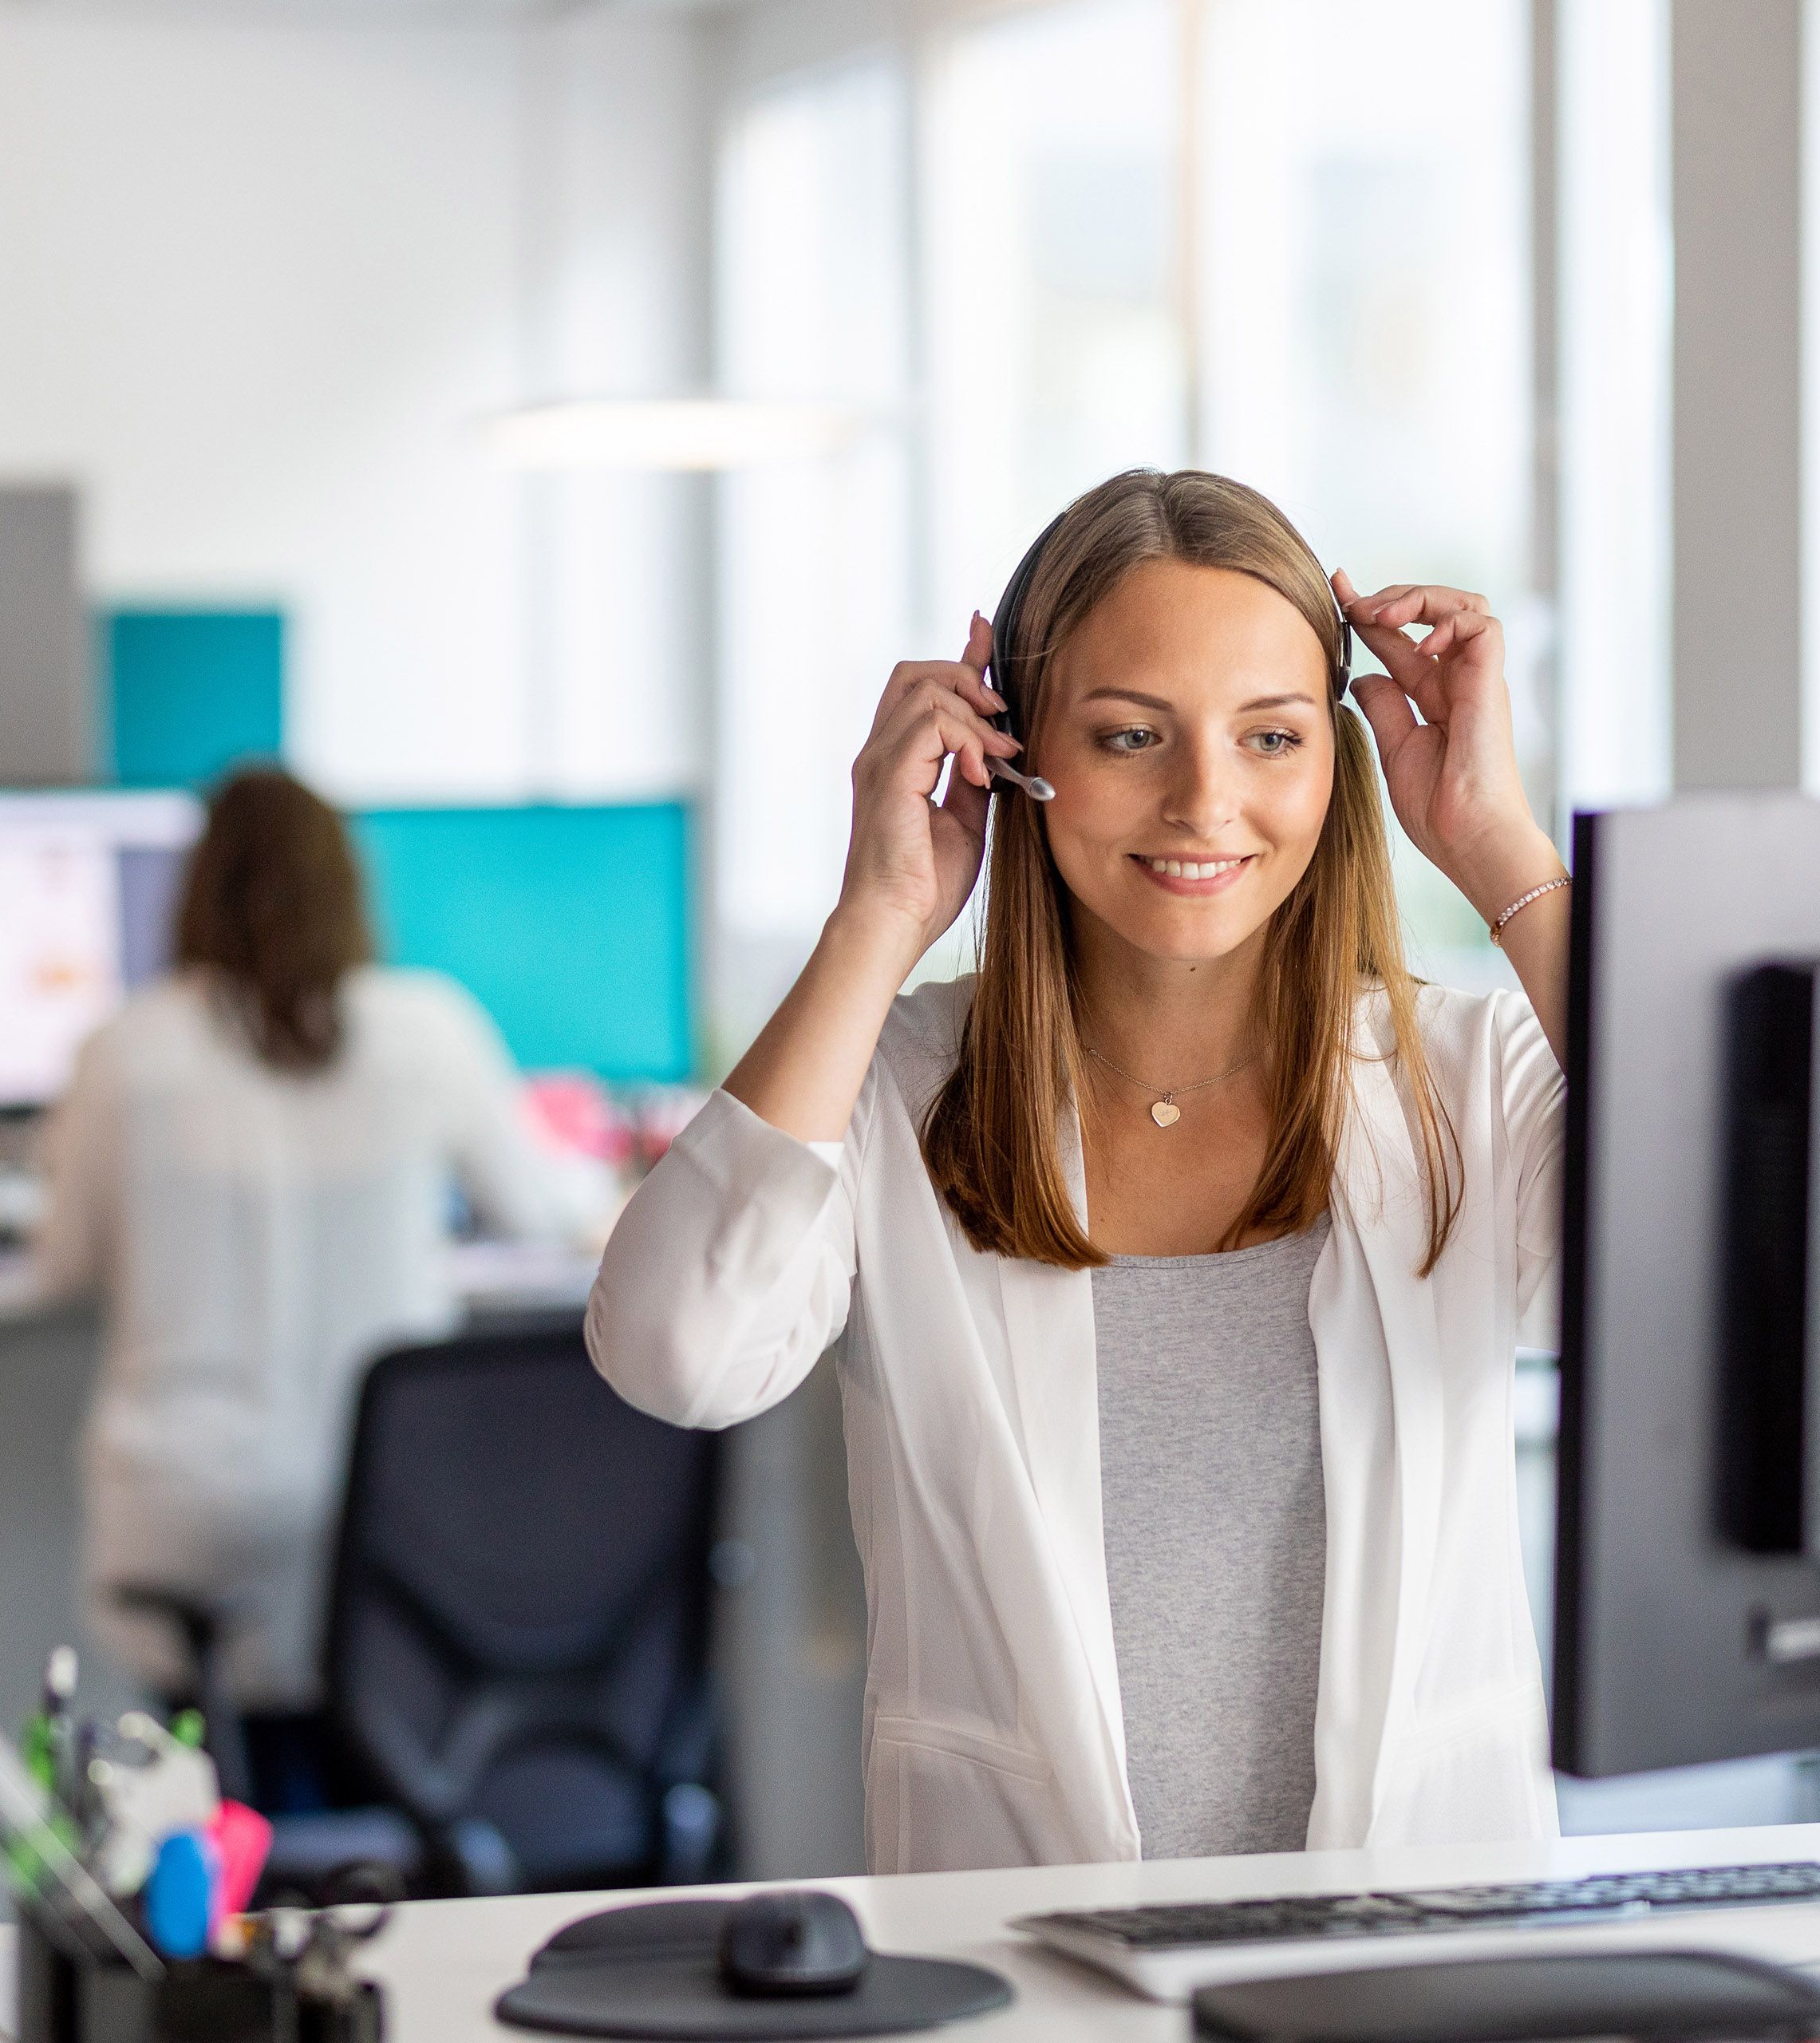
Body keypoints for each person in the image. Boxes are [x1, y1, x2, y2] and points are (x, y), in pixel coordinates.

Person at [589, 470, 1571, 1873]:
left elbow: (1705, 1263)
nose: (1205, 803)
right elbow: (678, 1356)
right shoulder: (895, 1090)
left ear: (1333, 763)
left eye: (1273, 737)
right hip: (1024, 1967)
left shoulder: (1463, 1083)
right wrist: (880, 914)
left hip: (1410, 1959)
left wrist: (1503, 851)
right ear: (1014, 748)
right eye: (1129, 736)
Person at [41, 767, 608, 1704]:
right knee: (364, 1723)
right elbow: (544, 1212)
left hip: (186, 1517)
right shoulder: (429, 1027)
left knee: (208, 1769)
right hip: (384, 1508)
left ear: (195, 888)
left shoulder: (126, 1049)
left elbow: (60, 1269)